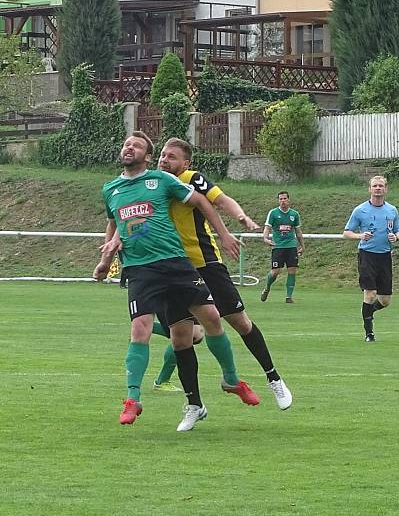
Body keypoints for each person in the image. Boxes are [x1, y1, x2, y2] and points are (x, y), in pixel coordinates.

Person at [93, 132, 254, 432]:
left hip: (175, 262)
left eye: (137, 145)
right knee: (140, 328)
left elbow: (203, 202)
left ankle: (231, 379)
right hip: (139, 270)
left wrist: (224, 232)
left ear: (147, 156)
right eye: (126, 143)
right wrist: (105, 261)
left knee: (212, 319)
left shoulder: (162, 181)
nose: (129, 147)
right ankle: (133, 398)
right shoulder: (111, 189)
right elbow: (115, 224)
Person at [149, 138, 293, 410]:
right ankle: (195, 403)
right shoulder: (151, 184)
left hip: (206, 263)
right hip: (172, 270)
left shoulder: (192, 179)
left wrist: (241, 218)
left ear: (186, 164)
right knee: (185, 334)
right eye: (163, 155)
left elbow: (221, 199)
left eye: (172, 157)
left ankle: (273, 377)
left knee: (239, 321)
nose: (165, 160)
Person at [343, 175, 399, 342]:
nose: (377, 188)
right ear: (369, 189)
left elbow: (398, 231)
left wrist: (396, 237)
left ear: (386, 189)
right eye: (375, 186)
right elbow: (346, 232)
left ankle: (368, 312)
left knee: (385, 300)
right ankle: (369, 334)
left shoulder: (392, 210)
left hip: (384, 257)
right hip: (367, 256)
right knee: (369, 294)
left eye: (380, 186)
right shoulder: (360, 210)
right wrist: (360, 235)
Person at [260, 191, 305, 303]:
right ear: (278, 200)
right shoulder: (273, 213)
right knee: (275, 272)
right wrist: (265, 238)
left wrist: (302, 246)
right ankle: (267, 288)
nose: (283, 201)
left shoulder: (294, 214)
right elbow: (267, 227)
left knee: (292, 270)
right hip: (278, 246)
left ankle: (288, 296)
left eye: (285, 199)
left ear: (288, 200)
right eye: (281, 199)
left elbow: (298, 232)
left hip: (291, 246)